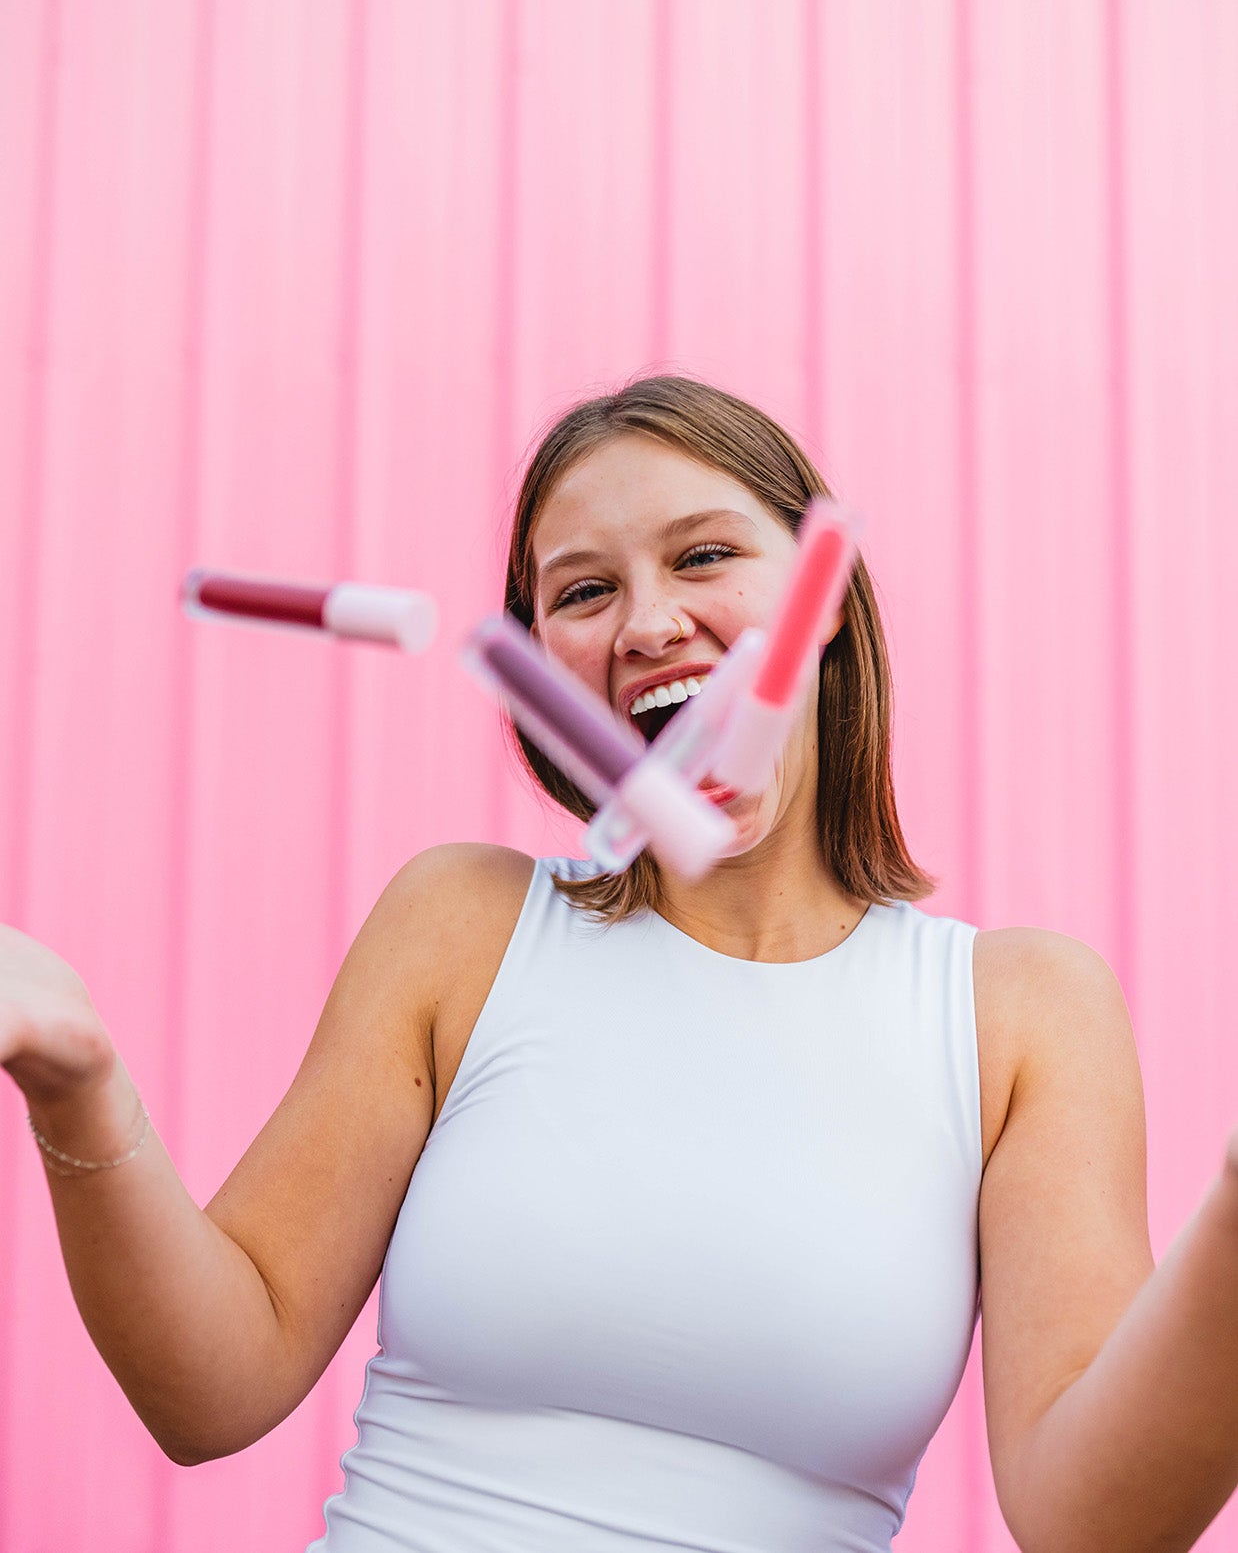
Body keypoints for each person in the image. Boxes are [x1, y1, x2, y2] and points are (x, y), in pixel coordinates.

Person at [3, 373, 1238, 1553]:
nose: (649, 623)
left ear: (824, 605)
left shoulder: (1019, 1016)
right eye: (583, 591)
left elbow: (1097, 1525)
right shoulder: (462, 927)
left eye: (704, 557)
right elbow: (213, 1388)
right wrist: (82, 1082)